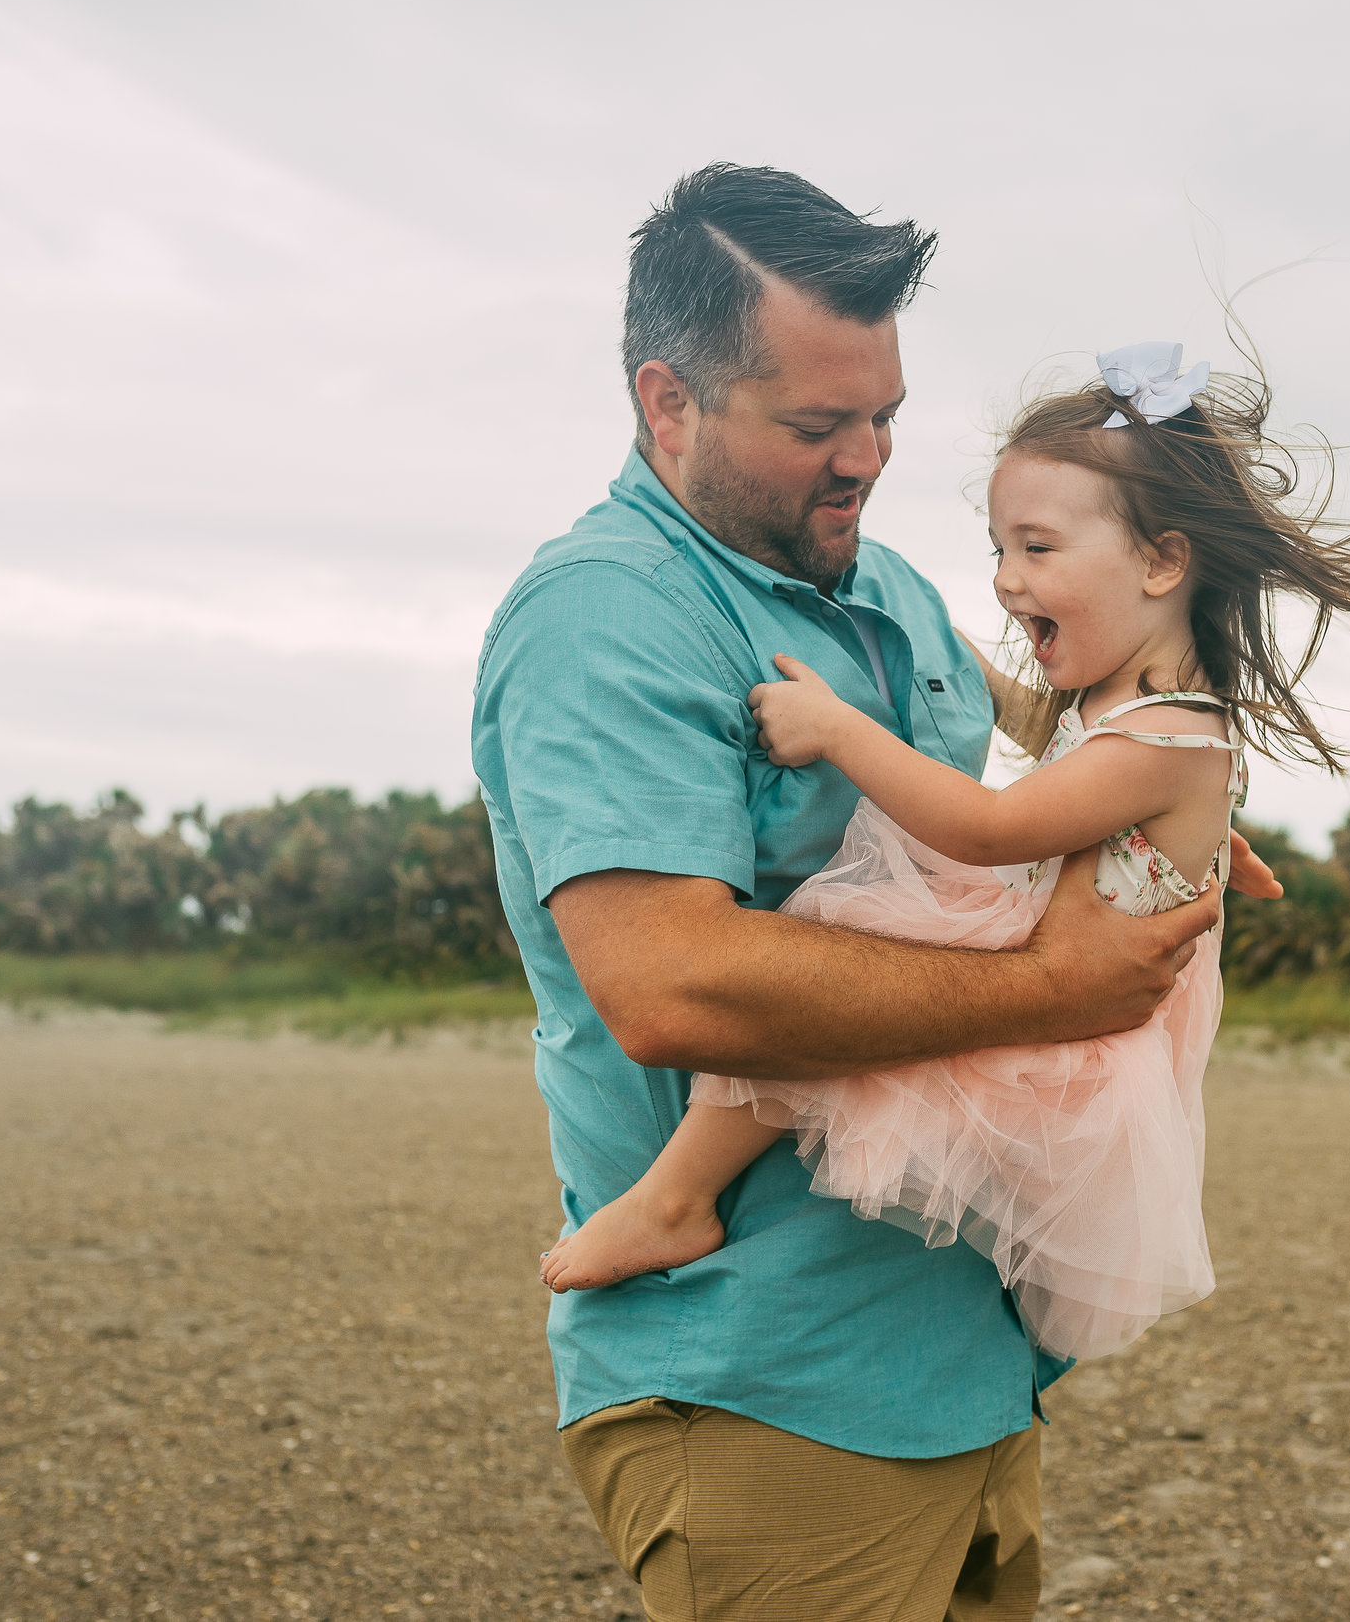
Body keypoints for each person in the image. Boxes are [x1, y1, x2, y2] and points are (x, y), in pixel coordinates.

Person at [471, 166, 1285, 1622]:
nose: (867, 459)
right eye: (815, 426)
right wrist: (1054, 983)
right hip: (767, 1381)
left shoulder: (894, 588)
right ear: (670, 404)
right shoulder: (607, 614)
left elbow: (1050, 755)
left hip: (967, 1369)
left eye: (885, 415)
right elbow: (673, 987)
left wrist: (1163, 814)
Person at [538, 341, 1350, 1370]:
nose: (1011, 582)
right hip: (1051, 942)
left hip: (1074, 1028)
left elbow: (989, 830)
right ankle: (681, 1197)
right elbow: (1043, 731)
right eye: (997, 554)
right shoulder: (1138, 712)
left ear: (1160, 561)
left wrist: (841, 729)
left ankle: (674, 1197)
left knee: (840, 942)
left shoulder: (1167, 734)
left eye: (1037, 550)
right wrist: (939, 651)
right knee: (840, 965)